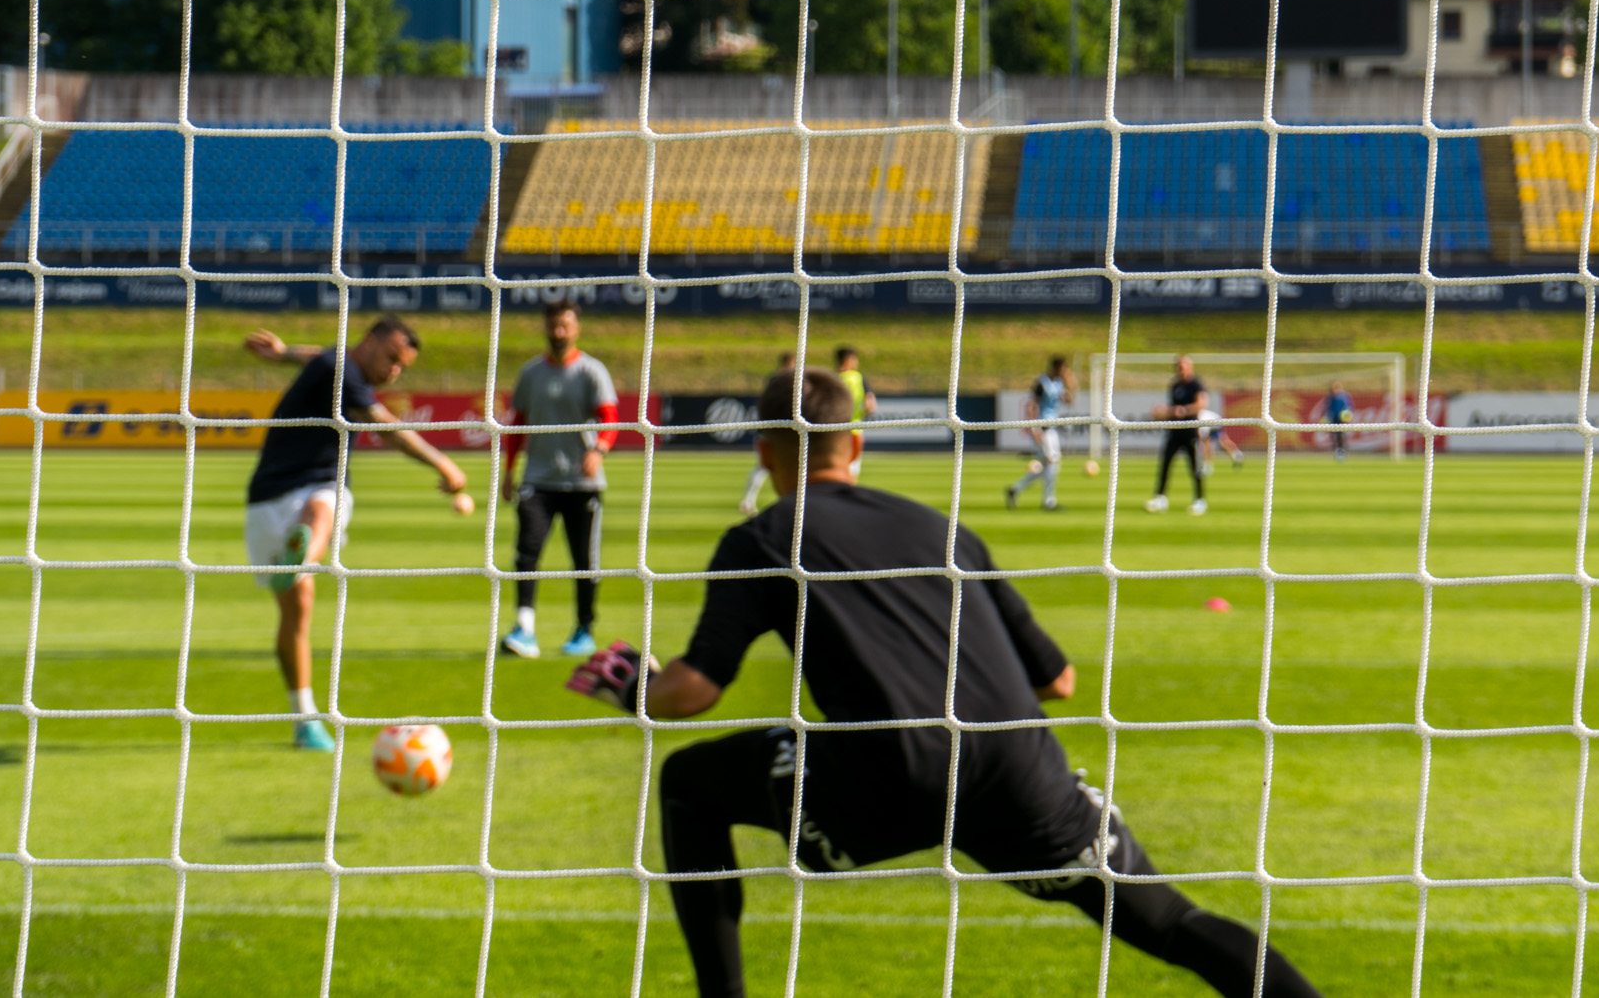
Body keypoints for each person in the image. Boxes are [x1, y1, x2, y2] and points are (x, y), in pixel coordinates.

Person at [566, 367, 1322, 998]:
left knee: (688, 784)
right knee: (1171, 923)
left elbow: (694, 691)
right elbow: (1059, 679)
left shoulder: (762, 537)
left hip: (888, 778)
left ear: (765, 451)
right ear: (857, 444)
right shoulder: (943, 529)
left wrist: (634, 687)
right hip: (1016, 774)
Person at [244, 318, 468, 751]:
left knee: (320, 521)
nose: (394, 372)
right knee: (321, 517)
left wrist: (285, 352)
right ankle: (304, 557)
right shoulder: (343, 372)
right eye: (391, 359)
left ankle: (303, 718)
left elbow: (317, 354)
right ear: (369, 342)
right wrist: (444, 464)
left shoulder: (334, 363)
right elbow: (384, 425)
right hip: (278, 496)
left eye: (402, 368)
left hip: (279, 495)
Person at [499, 300, 620, 660]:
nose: (559, 332)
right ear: (545, 328)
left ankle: (584, 629)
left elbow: (610, 418)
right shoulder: (531, 373)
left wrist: (598, 449)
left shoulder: (591, 371)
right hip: (537, 480)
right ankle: (525, 630)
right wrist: (509, 470)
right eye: (553, 325)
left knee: (585, 561)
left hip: (582, 484)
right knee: (526, 555)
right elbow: (518, 424)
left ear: (577, 328)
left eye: (565, 325)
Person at [1006, 356, 1075, 511]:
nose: (1065, 371)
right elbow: (1032, 405)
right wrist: (1034, 428)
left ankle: (1015, 489)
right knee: (1052, 462)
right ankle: (1049, 502)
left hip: (1052, 427)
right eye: (1064, 368)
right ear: (1057, 368)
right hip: (1042, 427)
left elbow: (1068, 401)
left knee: (1047, 465)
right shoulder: (1042, 383)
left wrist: (1071, 386)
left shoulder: (1059, 383)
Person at [1146, 355, 1209, 515]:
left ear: (1190, 367)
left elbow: (1201, 404)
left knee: (1195, 467)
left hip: (1190, 431)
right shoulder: (1174, 385)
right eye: (1179, 367)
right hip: (1174, 431)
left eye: (1184, 366)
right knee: (1165, 464)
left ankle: (1199, 500)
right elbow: (1173, 408)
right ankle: (1160, 498)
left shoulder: (1196, 384)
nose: (1181, 369)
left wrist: (1184, 410)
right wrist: (1164, 412)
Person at [738, 352, 797, 517]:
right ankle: (749, 500)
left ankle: (749, 500)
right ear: (790, 363)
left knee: (764, 467)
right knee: (765, 467)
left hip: (777, 427)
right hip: (778, 429)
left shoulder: (776, 380)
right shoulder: (784, 380)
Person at [835, 345, 877, 481]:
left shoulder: (832, 378)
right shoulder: (857, 377)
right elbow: (871, 405)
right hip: (854, 429)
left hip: (834, 430)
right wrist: (862, 413)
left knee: (837, 465)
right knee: (852, 467)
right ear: (849, 359)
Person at [1195, 408, 1243, 476]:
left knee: (1210, 443)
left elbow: (1203, 438)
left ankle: (1207, 466)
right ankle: (1236, 454)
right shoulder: (1200, 417)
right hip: (1215, 422)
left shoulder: (1202, 419)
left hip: (1216, 423)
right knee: (1221, 441)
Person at [1323, 381, 1353, 462]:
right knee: (1333, 436)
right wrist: (1326, 417)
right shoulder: (1330, 397)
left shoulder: (1344, 397)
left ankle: (1342, 451)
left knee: (1341, 436)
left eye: (1337, 388)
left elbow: (1349, 407)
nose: (1336, 390)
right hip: (1333, 419)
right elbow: (1327, 408)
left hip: (1341, 419)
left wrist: (1348, 415)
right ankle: (1336, 451)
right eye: (1334, 388)